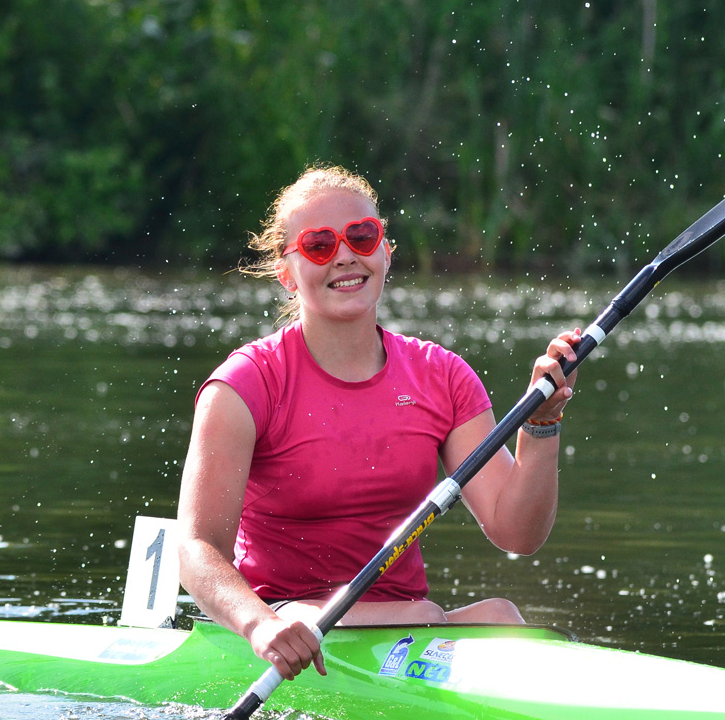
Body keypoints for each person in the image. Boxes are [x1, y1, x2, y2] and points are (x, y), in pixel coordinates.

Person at [176, 166, 578, 682]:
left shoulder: (442, 377)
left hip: (410, 625)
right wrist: (259, 625)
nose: (345, 256)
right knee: (415, 614)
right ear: (287, 273)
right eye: (319, 245)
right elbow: (197, 548)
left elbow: (516, 531)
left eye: (361, 236)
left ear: (385, 251)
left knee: (500, 615)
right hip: (286, 628)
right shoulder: (244, 386)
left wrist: (541, 424)